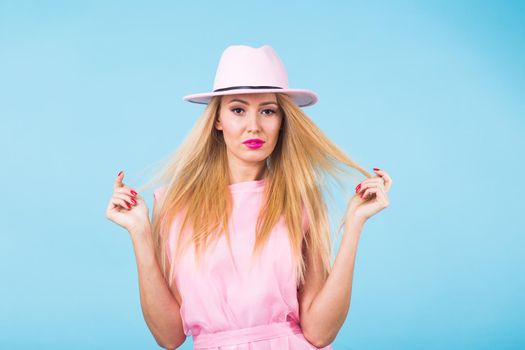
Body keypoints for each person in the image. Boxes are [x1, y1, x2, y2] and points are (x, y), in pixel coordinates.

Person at [105, 44, 393, 349]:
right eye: (238, 110)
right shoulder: (175, 206)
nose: (253, 126)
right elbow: (169, 337)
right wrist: (140, 233)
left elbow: (320, 332)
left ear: (282, 121)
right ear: (217, 119)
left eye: (268, 111)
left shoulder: (299, 202)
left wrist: (355, 222)